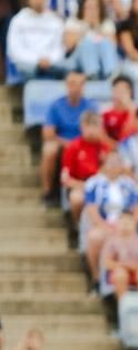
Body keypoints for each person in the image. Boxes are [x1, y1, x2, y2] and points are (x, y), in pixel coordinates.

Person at [39, 71, 92, 200]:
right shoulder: (56, 106)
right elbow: (48, 133)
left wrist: (77, 144)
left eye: (80, 84)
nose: (76, 87)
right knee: (49, 149)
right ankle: (48, 191)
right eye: (72, 83)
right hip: (62, 142)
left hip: (84, 143)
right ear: (67, 85)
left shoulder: (91, 106)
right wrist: (67, 144)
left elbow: (94, 131)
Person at [7, 0, 65, 82]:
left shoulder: (56, 21)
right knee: (22, 66)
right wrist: (37, 61)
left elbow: (60, 48)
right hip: (26, 66)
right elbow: (14, 50)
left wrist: (49, 60)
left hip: (50, 65)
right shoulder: (18, 20)